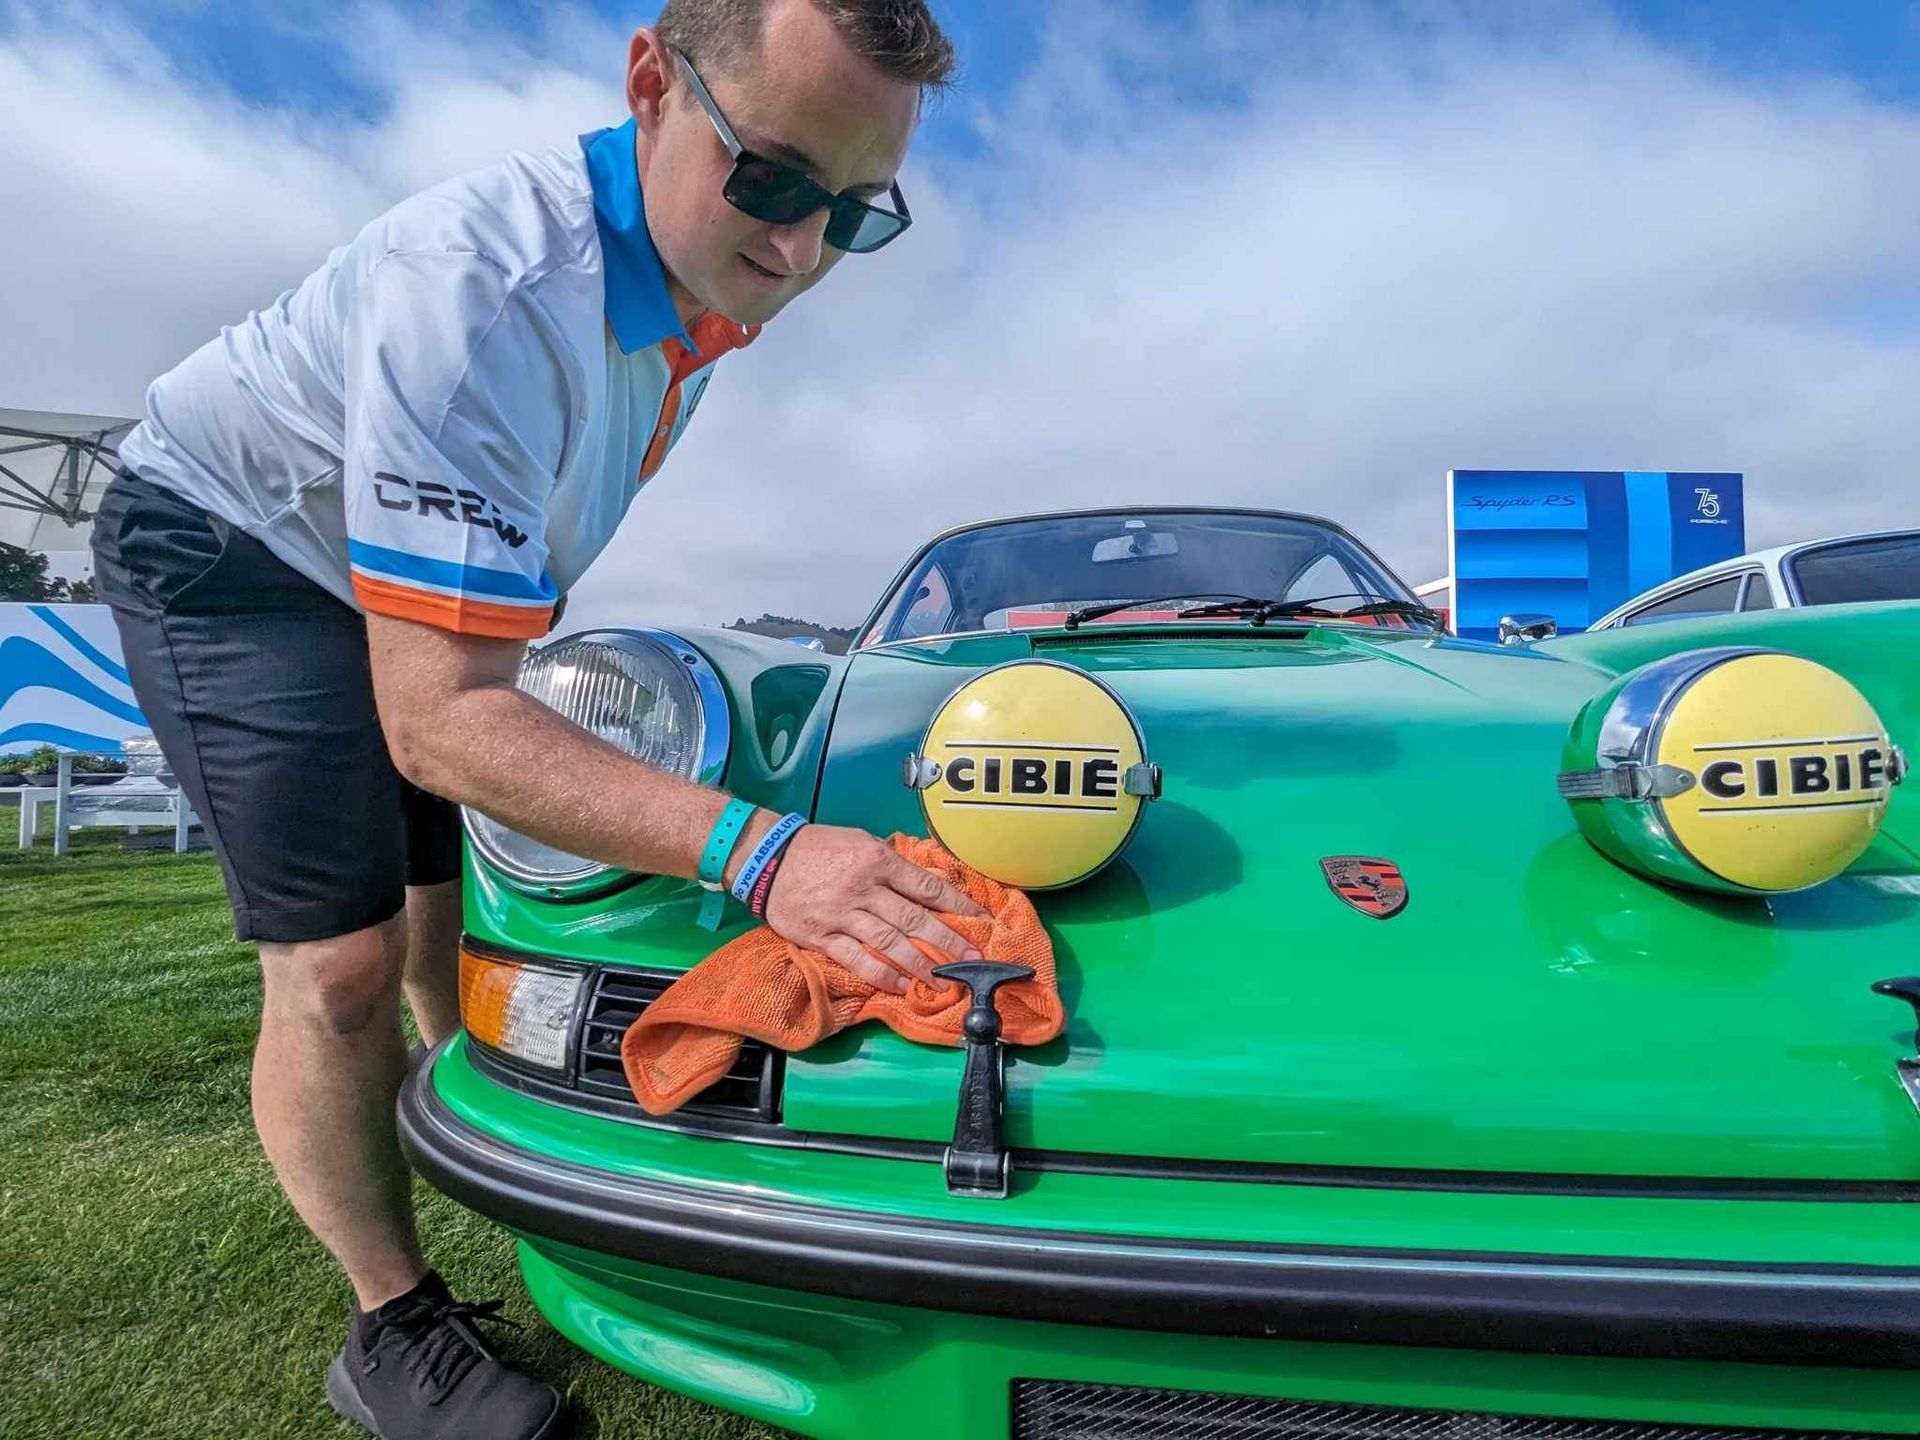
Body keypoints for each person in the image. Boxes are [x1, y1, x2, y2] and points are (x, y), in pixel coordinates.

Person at [89, 3, 970, 1437]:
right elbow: (440, 725)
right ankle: (391, 1324)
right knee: (342, 965)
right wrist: (770, 855)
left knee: (443, 909)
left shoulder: (701, 276)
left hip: (364, 551)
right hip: (231, 545)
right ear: (648, 86)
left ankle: (497, 1134)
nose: (801, 249)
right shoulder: (489, 293)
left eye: (854, 215)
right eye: (774, 181)